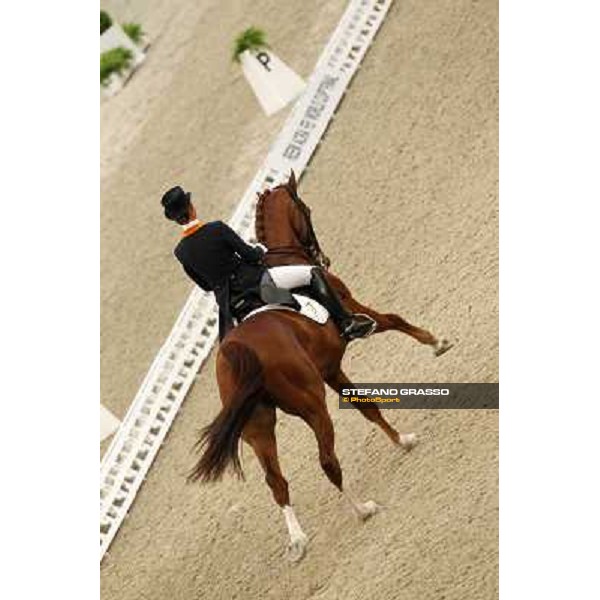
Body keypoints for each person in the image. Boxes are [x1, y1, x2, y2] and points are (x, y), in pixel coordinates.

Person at [161, 186, 375, 341]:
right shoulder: (216, 229)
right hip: (256, 284)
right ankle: (348, 323)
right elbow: (250, 256)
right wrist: (259, 250)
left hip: (230, 305)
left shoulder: (181, 252)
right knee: (313, 273)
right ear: (191, 207)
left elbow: (206, 285)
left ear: (175, 219)